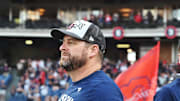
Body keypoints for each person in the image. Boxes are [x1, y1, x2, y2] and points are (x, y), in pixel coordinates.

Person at [50, 20, 124, 101]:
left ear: (93, 50)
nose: (61, 48)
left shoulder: (103, 92)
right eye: (63, 42)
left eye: (70, 42)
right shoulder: (79, 82)